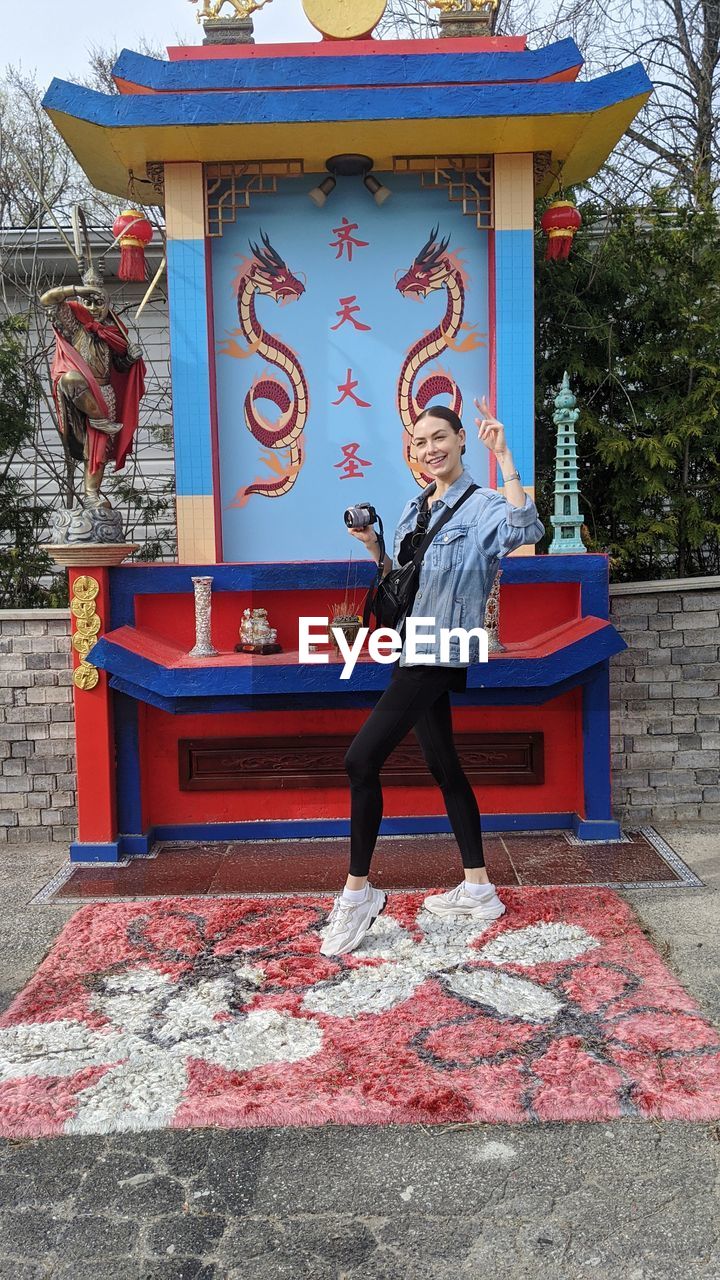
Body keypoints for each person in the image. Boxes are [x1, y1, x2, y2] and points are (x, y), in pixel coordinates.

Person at [320, 398, 545, 957]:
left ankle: (358, 895)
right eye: (419, 442)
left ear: (462, 439)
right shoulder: (412, 509)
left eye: (439, 438)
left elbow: (526, 527)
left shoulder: (484, 505)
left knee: (360, 759)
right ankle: (479, 887)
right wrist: (375, 546)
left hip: (442, 648)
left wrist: (506, 458)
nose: (429, 449)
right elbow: (401, 585)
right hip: (410, 646)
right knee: (445, 767)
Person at [39, 270, 145, 509]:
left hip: (105, 390)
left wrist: (130, 358)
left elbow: (119, 366)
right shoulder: (74, 324)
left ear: (108, 304)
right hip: (82, 393)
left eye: (99, 302)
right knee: (69, 379)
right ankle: (99, 419)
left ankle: (91, 494)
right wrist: (77, 291)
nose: (93, 307)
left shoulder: (114, 331)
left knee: (97, 448)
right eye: (88, 302)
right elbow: (47, 300)